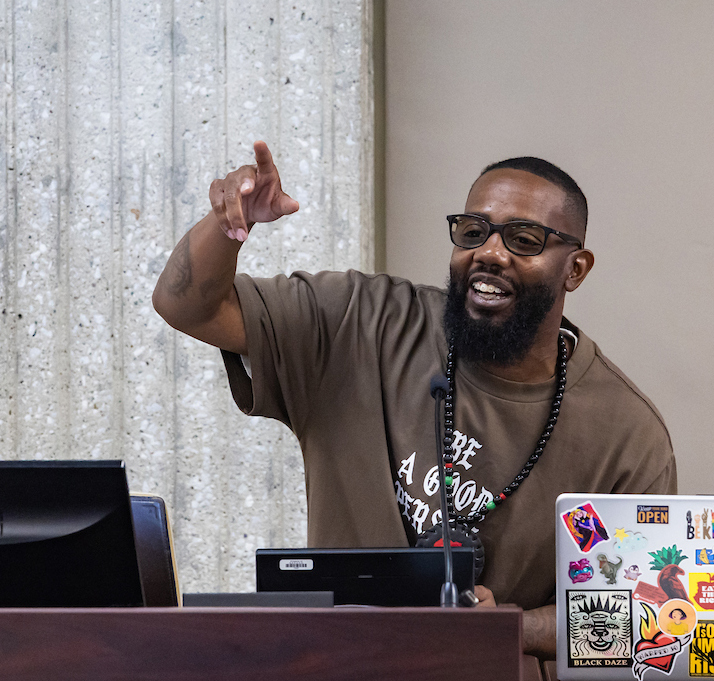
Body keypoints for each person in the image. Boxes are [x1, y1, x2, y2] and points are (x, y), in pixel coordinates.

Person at [152, 141, 676, 658]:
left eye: (524, 239)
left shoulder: (626, 434)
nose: (490, 254)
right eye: (474, 232)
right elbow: (185, 306)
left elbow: (642, 622)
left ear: (576, 269)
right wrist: (227, 226)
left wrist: (508, 627)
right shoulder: (359, 323)